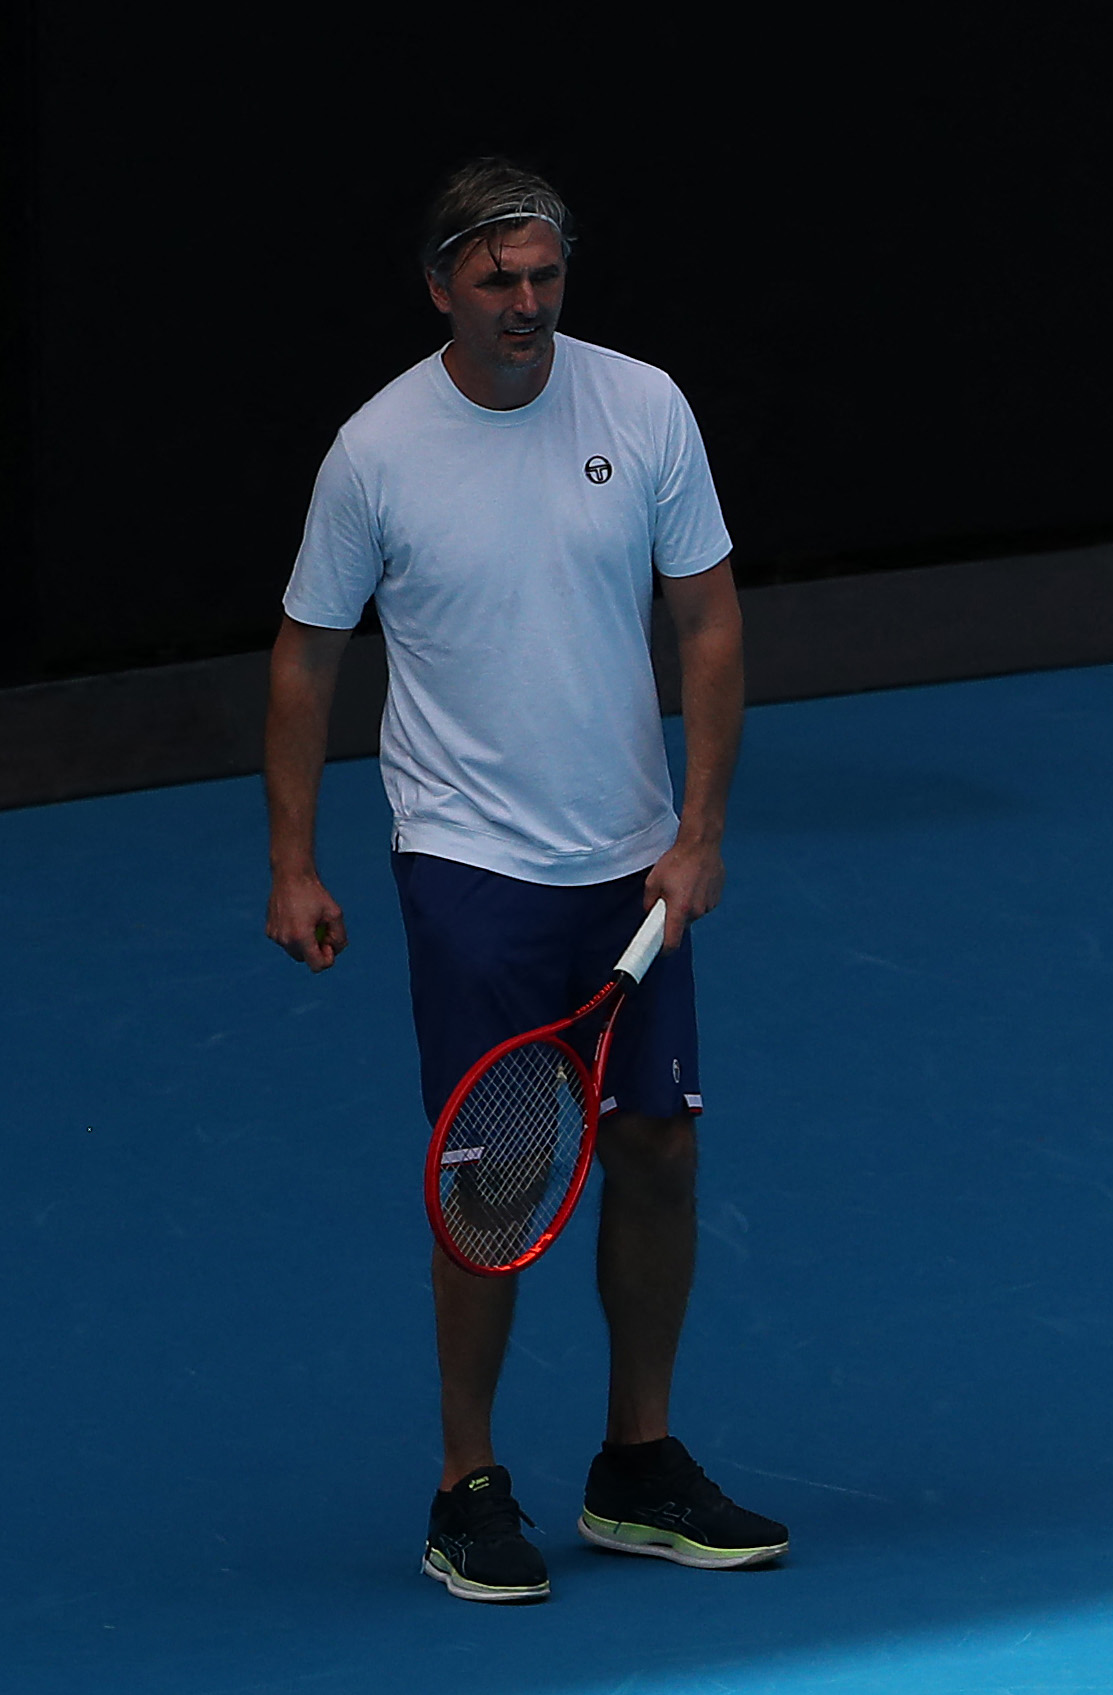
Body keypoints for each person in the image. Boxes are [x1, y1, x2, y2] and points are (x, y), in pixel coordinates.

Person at [261, 158, 787, 1603]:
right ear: (441, 285)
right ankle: (467, 1483)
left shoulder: (643, 407)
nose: (526, 304)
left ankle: (635, 1460)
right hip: (469, 867)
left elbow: (711, 624)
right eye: (496, 280)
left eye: (545, 276)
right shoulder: (377, 451)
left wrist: (698, 830)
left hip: (631, 861)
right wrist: (294, 858)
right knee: (494, 1177)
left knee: (660, 1149)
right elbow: (309, 655)